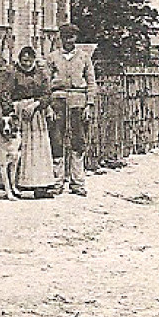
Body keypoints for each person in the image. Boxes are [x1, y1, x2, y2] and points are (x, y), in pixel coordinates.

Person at [47, 23, 98, 197]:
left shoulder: (84, 57)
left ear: (76, 38)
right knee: (56, 140)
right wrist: (48, 106)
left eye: (71, 36)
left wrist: (89, 105)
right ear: (60, 38)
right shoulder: (52, 57)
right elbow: (46, 84)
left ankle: (77, 182)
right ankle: (57, 181)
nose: (68, 40)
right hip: (58, 101)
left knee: (78, 141)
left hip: (78, 101)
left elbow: (91, 82)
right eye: (65, 36)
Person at [2, 44, 58, 198]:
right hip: (18, 113)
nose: (26, 63)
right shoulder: (13, 74)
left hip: (36, 113)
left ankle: (40, 185)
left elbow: (47, 94)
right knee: (19, 147)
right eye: (23, 60)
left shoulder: (40, 74)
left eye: (29, 60)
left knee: (38, 148)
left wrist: (36, 104)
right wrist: (11, 112)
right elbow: (5, 93)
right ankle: (18, 185)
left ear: (34, 60)